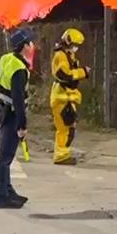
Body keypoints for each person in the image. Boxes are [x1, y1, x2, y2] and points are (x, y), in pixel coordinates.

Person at [0, 27, 35, 209]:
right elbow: (18, 99)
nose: (33, 46)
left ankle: (8, 190)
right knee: (5, 156)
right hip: (11, 113)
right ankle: (0, 197)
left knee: (6, 154)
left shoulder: (7, 58)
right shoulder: (20, 69)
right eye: (31, 42)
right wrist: (22, 125)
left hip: (1, 108)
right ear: (25, 46)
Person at [49, 28, 91, 165]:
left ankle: (63, 153)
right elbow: (64, 75)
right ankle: (61, 155)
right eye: (75, 44)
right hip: (62, 96)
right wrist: (83, 72)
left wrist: (80, 71)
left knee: (69, 127)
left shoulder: (67, 55)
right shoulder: (61, 56)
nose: (76, 47)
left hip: (66, 96)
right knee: (65, 128)